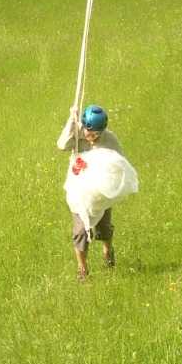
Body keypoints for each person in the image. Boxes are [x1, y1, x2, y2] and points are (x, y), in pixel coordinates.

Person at [57, 105, 123, 281]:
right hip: (79, 192)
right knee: (80, 232)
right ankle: (83, 269)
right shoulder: (77, 134)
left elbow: (119, 162)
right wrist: (71, 121)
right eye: (88, 132)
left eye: (96, 134)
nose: (90, 137)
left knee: (104, 228)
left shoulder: (110, 139)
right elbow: (61, 145)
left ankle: (108, 250)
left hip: (100, 193)